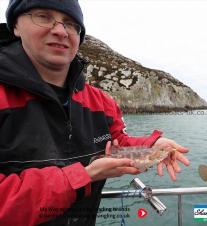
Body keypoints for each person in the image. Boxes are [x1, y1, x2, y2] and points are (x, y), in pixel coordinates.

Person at [0, 0, 189, 225]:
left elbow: (116, 142)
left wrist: (152, 145)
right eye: (43, 16)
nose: (60, 30)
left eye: (71, 23)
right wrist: (84, 177)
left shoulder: (101, 101)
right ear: (15, 26)